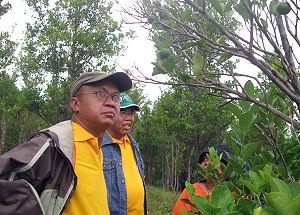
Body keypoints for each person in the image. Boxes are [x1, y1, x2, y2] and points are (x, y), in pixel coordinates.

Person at [0, 71, 132, 215]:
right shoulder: (55, 145)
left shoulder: (98, 148)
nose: (111, 103)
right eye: (101, 94)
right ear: (75, 104)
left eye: (115, 97)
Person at [102, 92, 146, 214]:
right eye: (122, 113)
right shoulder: (99, 145)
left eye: (131, 113)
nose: (129, 118)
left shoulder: (133, 144)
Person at [172, 143, 231, 215]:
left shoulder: (234, 195)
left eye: (212, 159)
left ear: (224, 167)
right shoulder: (191, 192)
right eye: (204, 160)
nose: (205, 163)